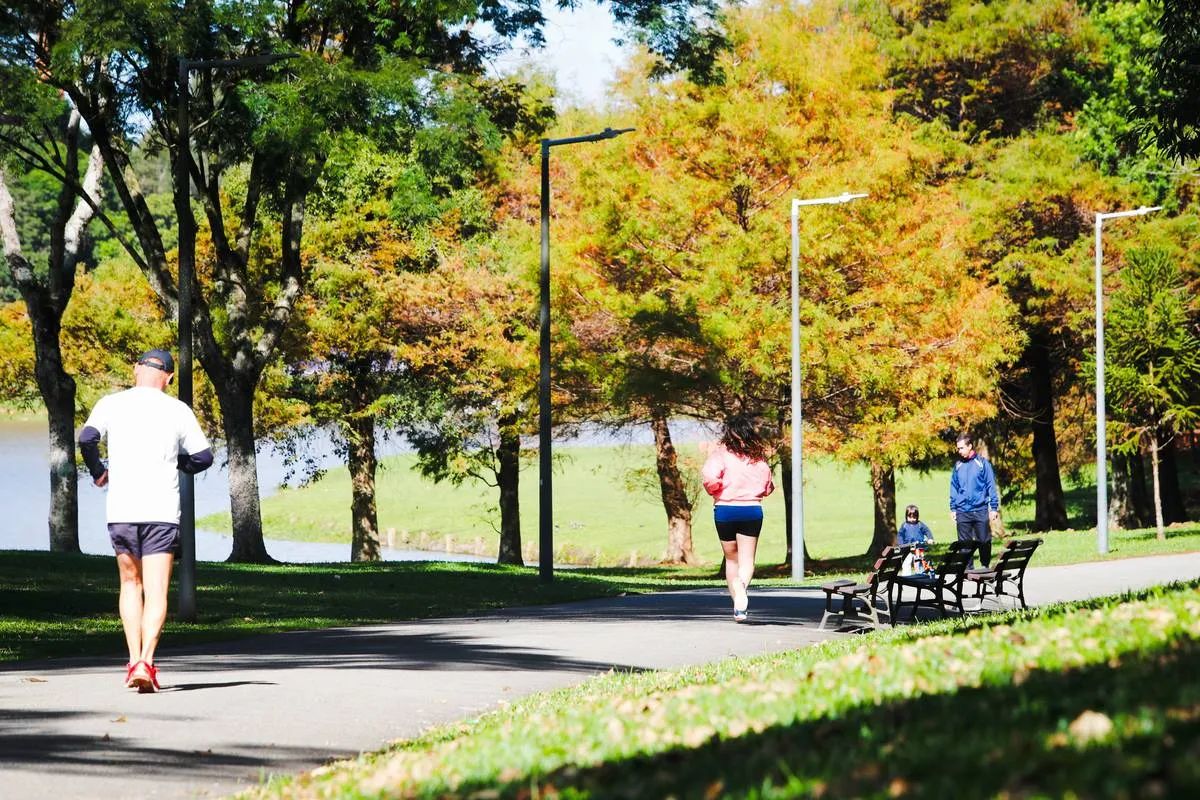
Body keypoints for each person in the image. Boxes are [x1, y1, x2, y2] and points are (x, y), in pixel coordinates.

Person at [78, 349, 213, 693]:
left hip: (122, 509)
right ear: (168, 378)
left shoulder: (111, 403)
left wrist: (98, 472)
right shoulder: (178, 410)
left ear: (136, 369)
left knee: (129, 584)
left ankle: (133, 657)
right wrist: (179, 464)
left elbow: (87, 438)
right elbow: (203, 456)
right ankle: (146, 663)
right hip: (162, 513)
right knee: (156, 591)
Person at [701, 414, 775, 622]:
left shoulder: (720, 455)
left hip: (724, 510)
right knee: (747, 560)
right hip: (751, 510)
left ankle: (738, 607)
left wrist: (718, 490)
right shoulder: (758, 459)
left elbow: (709, 477)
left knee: (731, 559)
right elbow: (768, 487)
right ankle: (741, 587)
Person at [949, 432, 1000, 568]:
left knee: (984, 541)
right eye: (958, 448)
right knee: (964, 544)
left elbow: (991, 485)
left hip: (980, 509)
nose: (959, 451)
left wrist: (994, 507)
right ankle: (967, 570)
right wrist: (953, 508)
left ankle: (984, 566)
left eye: (961, 448)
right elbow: (954, 487)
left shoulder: (982, 464)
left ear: (970, 446)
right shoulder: (958, 466)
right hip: (962, 511)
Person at [897, 504, 934, 576]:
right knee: (906, 562)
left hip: (919, 548)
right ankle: (906, 577)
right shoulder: (904, 525)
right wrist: (901, 545)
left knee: (920, 562)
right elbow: (900, 535)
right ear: (906, 516)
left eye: (914, 516)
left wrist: (930, 538)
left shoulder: (920, 524)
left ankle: (921, 574)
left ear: (917, 516)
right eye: (909, 516)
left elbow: (927, 531)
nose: (912, 519)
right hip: (907, 549)